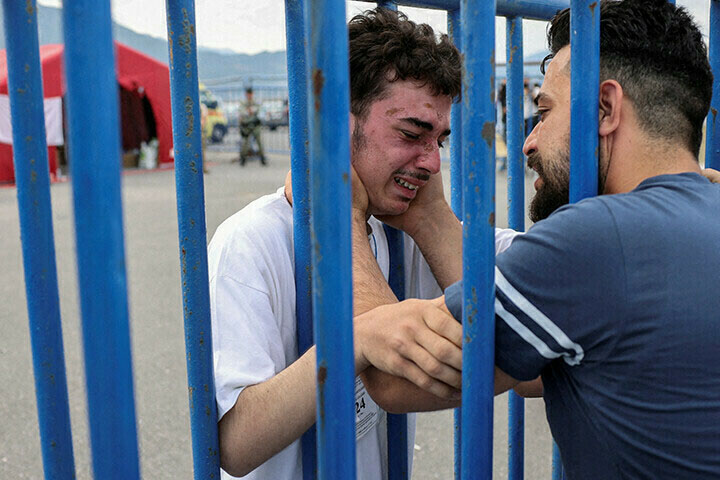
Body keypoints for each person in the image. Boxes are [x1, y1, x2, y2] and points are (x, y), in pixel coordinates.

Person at [357, 1, 720, 478]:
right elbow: (532, 367)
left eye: (545, 113)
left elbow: (390, 374)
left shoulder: (598, 238)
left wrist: (339, 212)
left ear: (605, 109)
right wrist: (431, 219)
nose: (529, 141)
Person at [207, 8, 520, 479]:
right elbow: (234, 444)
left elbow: (529, 320)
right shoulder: (252, 239)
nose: (432, 163)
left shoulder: (404, 231)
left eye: (440, 140)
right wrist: (351, 344)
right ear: (337, 123)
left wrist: (434, 220)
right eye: (412, 134)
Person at [239, 87, 267, 166]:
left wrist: (252, 110)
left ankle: (262, 158)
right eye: (248, 94)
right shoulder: (243, 102)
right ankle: (243, 158)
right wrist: (248, 112)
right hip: (246, 125)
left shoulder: (255, 101)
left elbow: (260, 109)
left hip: (255, 125)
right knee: (245, 143)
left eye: (250, 94)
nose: (249, 96)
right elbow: (241, 111)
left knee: (259, 142)